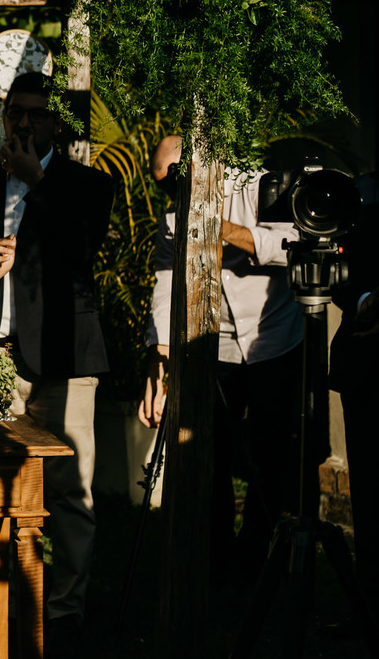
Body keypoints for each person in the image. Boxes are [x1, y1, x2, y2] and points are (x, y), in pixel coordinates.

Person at [0, 72, 113, 648]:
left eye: (37, 114)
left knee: (69, 490)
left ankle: (63, 611)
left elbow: (82, 251)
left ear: (55, 122)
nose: (23, 123)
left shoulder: (87, 186)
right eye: (16, 112)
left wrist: (39, 183)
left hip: (65, 360)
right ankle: (2, 596)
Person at [139, 135, 305, 571]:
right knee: (208, 450)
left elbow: (293, 244)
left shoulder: (259, 184)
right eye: (163, 187)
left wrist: (222, 230)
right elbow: (164, 281)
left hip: (275, 337)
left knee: (270, 454)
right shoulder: (174, 216)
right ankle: (214, 558)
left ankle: (260, 553)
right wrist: (158, 362)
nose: (171, 195)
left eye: (175, 181)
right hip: (214, 342)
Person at [331, 170, 379, 617]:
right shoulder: (360, 191)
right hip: (368, 361)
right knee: (369, 489)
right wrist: (365, 301)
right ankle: (370, 604)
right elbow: (339, 274)